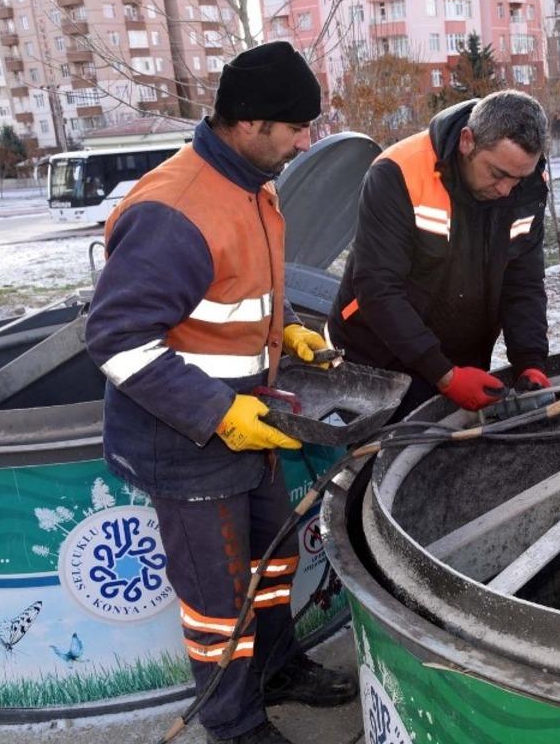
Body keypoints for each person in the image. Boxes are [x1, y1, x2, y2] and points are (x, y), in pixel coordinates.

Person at [84, 41, 355, 744]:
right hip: (186, 440)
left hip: (247, 420)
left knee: (271, 561)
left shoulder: (250, 182)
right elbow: (115, 338)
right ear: (248, 120)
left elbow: (241, 288)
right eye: (296, 127)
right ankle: (232, 724)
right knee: (216, 600)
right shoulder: (175, 209)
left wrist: (289, 330)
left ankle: (277, 668)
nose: (306, 141)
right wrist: (217, 412)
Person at [327, 90, 551, 417]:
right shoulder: (398, 172)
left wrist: (530, 362)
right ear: (467, 141)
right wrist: (443, 374)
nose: (506, 190)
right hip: (378, 361)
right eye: (498, 174)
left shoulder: (525, 187)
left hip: (462, 363)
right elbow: (377, 289)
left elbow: (523, 282)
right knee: (383, 460)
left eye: (518, 178)